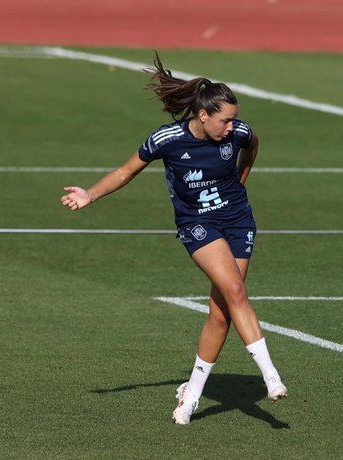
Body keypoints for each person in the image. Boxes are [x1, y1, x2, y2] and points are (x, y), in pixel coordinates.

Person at [60, 52, 288, 425]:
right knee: (235, 292)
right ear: (202, 115)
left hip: (238, 220)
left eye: (234, 119)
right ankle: (271, 376)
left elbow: (252, 145)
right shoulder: (167, 139)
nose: (232, 126)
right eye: (225, 120)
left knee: (220, 314)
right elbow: (125, 172)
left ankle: (191, 394)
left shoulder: (239, 133)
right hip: (197, 225)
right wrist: (90, 194)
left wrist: (241, 180)